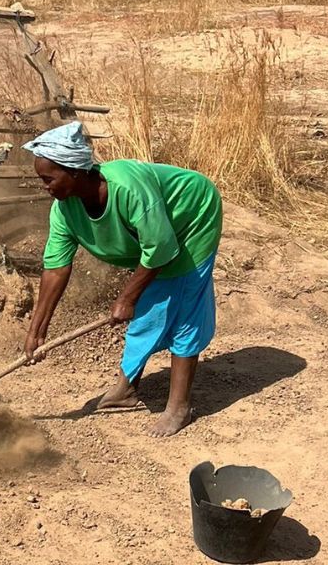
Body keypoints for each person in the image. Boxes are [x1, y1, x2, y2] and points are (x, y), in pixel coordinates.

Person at [22, 122, 222, 437]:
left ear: (74, 172)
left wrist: (127, 298)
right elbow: (56, 267)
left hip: (192, 216)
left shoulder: (128, 189)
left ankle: (179, 406)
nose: (44, 186)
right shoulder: (64, 210)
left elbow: (160, 248)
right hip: (157, 239)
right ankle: (127, 389)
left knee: (182, 307)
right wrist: (37, 330)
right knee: (150, 308)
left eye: (48, 179)